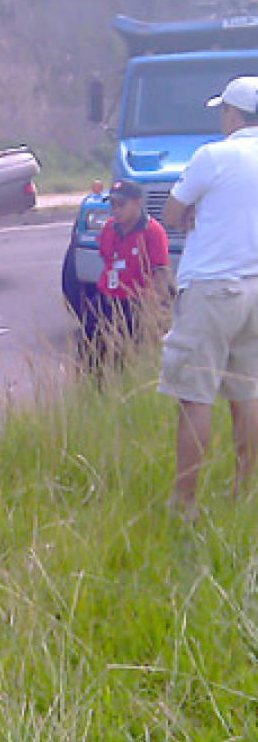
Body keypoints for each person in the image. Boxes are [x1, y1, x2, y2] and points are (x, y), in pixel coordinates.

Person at [159, 75, 258, 522]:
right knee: (248, 392)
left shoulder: (213, 156)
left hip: (213, 286)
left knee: (195, 394)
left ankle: (185, 504)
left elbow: (173, 212)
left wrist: (198, 214)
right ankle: (243, 490)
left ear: (232, 115)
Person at [81, 179, 170, 369]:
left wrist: (152, 310)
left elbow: (160, 273)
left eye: (121, 204)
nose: (115, 210)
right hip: (106, 300)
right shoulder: (109, 228)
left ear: (137, 203)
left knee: (128, 361)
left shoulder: (152, 232)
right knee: (92, 357)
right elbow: (106, 258)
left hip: (135, 305)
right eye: (112, 204)